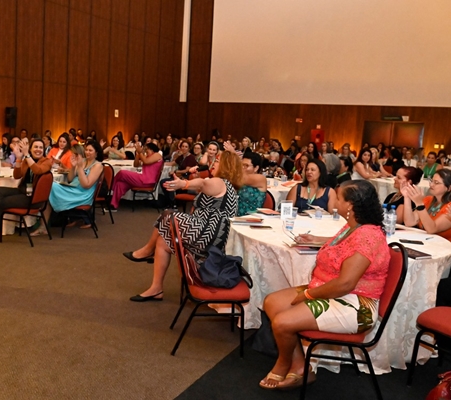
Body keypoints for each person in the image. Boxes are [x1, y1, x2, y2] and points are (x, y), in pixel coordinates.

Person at [259, 180, 390, 390]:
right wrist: (317, 239)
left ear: (350, 205)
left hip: (355, 304)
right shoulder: (354, 227)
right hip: (335, 290)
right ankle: (301, 366)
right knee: (272, 302)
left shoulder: (367, 236)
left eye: (339, 197)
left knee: (282, 323)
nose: (335, 200)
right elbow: (345, 246)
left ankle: (285, 363)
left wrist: (309, 295)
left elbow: (346, 283)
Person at [123, 151, 243, 301]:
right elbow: (202, 186)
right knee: (162, 241)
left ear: (226, 165)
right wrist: (190, 177)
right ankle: (156, 288)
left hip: (207, 234)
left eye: (217, 161)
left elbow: (202, 183)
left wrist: (184, 184)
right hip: (207, 233)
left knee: (168, 215)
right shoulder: (225, 185)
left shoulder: (220, 182)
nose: (213, 163)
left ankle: (147, 250)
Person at [0, 138, 53, 242]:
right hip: (23, 191)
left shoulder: (47, 161)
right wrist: (19, 159)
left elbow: (38, 170)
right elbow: (17, 175)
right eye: (35, 147)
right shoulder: (26, 160)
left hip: (33, 199)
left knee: (0, 202)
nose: (38, 149)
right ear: (31, 149)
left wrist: (27, 155)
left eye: (41, 147)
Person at [42, 141, 104, 230]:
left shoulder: (97, 166)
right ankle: (46, 224)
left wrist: (80, 168)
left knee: (51, 187)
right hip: (73, 188)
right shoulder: (83, 161)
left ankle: (45, 224)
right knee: (50, 185)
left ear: (96, 153)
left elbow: (86, 184)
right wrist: (73, 166)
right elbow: (70, 179)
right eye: (86, 150)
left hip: (82, 194)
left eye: (90, 150)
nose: (87, 152)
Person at [110, 142, 163, 210]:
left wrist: (140, 152)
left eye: (147, 149)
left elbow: (146, 161)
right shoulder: (147, 157)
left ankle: (111, 187)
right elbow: (136, 165)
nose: (146, 151)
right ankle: (113, 205)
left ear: (152, 149)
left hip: (147, 181)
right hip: (142, 180)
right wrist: (137, 155)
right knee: (120, 184)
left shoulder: (157, 155)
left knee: (122, 172)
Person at [402, 169, 451, 241]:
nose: (431, 185)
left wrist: (419, 204)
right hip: (425, 242)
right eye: (431, 181)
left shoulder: (449, 207)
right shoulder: (428, 200)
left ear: (449, 188)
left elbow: (432, 229)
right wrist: (407, 197)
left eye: (436, 183)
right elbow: (409, 222)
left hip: (442, 248)